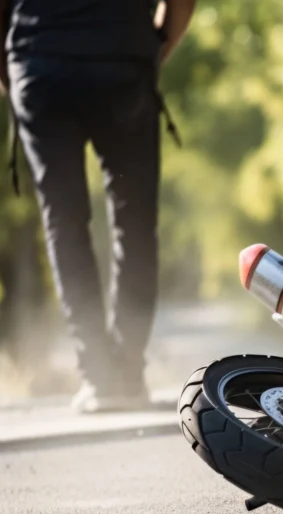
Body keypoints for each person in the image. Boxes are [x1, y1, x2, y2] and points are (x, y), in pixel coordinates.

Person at [0, 0, 196, 412]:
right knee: (135, 219)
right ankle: (126, 373)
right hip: (121, 59)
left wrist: (14, 73)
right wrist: (155, 49)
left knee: (64, 221)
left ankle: (100, 376)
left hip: (39, 63)